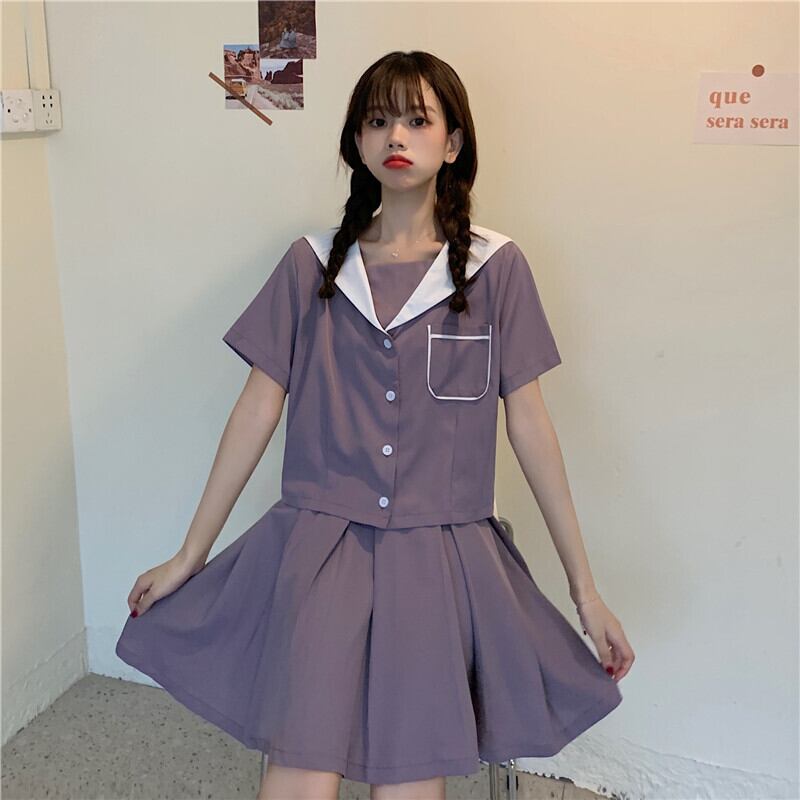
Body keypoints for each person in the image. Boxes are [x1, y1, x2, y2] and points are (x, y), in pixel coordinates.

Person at [115, 50, 635, 800]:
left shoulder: (495, 270)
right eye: (378, 120)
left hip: (438, 560)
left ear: (453, 143)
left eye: (418, 121)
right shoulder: (311, 267)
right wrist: (189, 556)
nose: (397, 135)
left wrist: (586, 595)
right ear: (357, 141)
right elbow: (257, 407)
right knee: (302, 764)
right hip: (319, 550)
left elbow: (530, 425)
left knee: (409, 773)